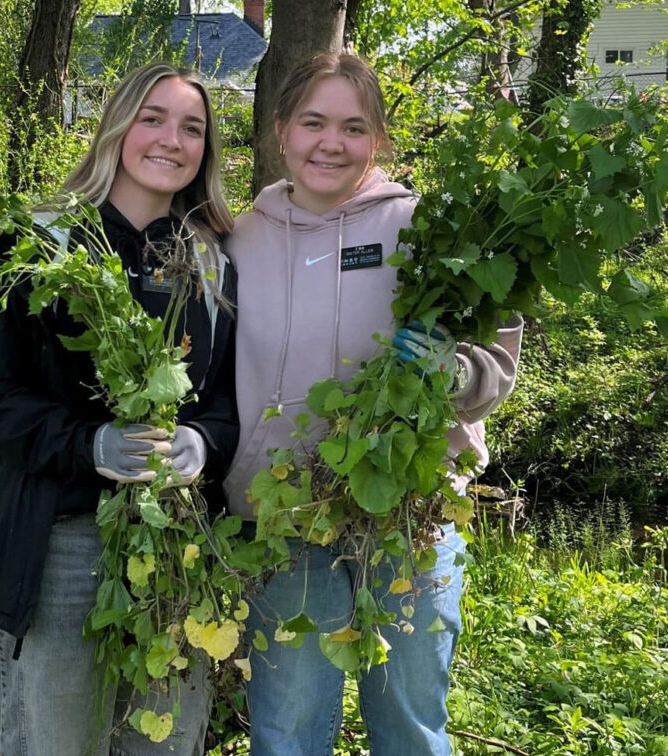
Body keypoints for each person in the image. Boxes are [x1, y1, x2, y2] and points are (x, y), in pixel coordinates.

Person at [222, 52, 524, 756]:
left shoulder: (428, 234)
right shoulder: (239, 239)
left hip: (409, 514)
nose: (332, 142)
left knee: (410, 725)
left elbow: (499, 367)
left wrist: (455, 371)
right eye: (313, 122)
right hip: (285, 517)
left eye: (354, 127)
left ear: (379, 139)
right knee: (287, 728)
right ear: (280, 130)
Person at [0, 62, 238, 756]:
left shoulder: (211, 261)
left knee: (164, 742)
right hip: (62, 544)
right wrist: (89, 445)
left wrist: (203, 445)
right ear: (116, 125)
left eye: (192, 127)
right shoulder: (41, 242)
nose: (172, 139)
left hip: (176, 547)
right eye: (153, 117)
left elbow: (233, 398)